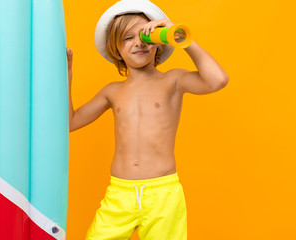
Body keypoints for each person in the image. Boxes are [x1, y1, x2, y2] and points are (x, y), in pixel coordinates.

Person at [67, 0, 228, 239]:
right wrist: (67, 73)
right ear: (116, 49)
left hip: (164, 194)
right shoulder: (112, 91)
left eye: (146, 35)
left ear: (158, 43)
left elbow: (218, 80)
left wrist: (180, 36)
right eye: (127, 38)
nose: (139, 42)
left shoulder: (173, 81)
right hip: (120, 195)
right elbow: (70, 122)